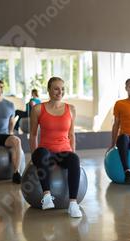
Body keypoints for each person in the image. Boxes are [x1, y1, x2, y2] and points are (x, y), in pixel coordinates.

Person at [29, 77, 82, 218]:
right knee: (41, 153)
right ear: (49, 90)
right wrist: (32, 157)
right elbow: (33, 135)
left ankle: (72, 204)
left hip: (64, 152)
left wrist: (73, 154)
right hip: (45, 153)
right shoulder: (38, 109)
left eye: (62, 89)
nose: (60, 92)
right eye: (56, 88)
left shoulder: (70, 109)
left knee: (74, 159)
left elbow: (71, 135)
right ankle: (46, 196)